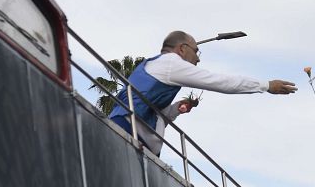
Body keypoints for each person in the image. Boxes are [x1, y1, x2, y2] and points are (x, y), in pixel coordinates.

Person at [107, 30, 297, 154]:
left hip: (136, 135)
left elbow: (154, 113)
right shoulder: (171, 64)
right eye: (196, 52)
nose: (198, 59)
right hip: (129, 132)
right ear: (182, 49)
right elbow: (219, 82)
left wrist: (176, 109)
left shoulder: (157, 66)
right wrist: (266, 85)